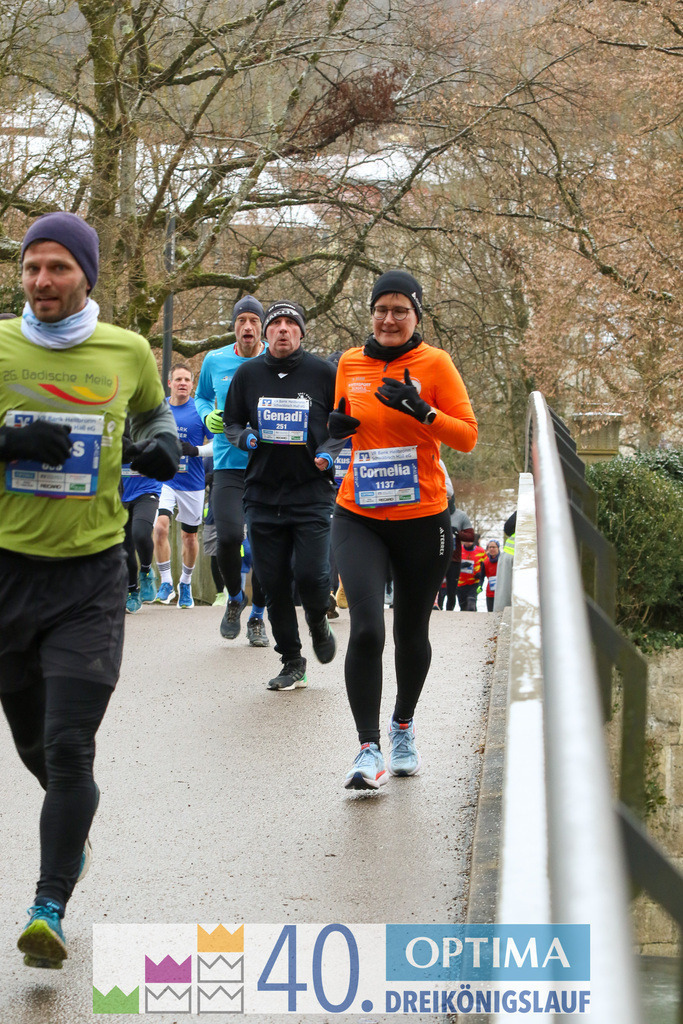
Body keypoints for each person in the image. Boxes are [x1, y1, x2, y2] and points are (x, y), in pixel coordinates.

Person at [0, 211, 180, 969]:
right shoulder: (1, 346)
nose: (42, 281)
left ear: (86, 277)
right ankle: (73, 831)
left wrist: (163, 444)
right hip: (7, 573)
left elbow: (155, 413)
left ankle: (48, 907)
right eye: (32, 267)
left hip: (92, 577)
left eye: (58, 268)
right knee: (36, 747)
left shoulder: (128, 350)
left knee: (71, 747)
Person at [330, 269, 477, 790]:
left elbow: (467, 437)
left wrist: (422, 410)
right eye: (381, 309)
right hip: (359, 513)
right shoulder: (350, 362)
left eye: (400, 310)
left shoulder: (435, 363)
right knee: (367, 628)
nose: (389, 319)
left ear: (417, 316)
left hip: (423, 519)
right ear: (370, 313)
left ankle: (403, 727)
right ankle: (368, 749)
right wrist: (328, 435)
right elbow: (336, 425)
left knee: (411, 630)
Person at [223, 300, 344, 690]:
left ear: (302, 333)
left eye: (291, 323)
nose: (282, 330)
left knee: (311, 576)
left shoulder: (324, 373)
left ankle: (317, 622)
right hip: (261, 494)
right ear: (265, 333)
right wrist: (245, 437)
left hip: (310, 493)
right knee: (272, 584)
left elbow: (342, 425)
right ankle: (292, 660)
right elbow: (231, 421)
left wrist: (327, 451)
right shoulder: (247, 374)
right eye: (275, 324)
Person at [195, 297, 270, 647]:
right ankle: (235, 599)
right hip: (227, 463)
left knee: (268, 547)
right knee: (227, 538)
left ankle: (258, 617)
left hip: (269, 466)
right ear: (234, 325)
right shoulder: (215, 360)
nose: (248, 327)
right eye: (242, 320)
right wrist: (207, 415)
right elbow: (201, 397)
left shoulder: (275, 359)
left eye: (254, 320)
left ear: (263, 326)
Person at [153, 363, 213, 609]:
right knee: (160, 527)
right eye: (178, 379)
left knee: (189, 537)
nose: (183, 384)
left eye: (187, 380)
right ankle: (166, 582)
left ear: (192, 384)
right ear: (170, 383)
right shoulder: (160, 409)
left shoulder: (200, 410)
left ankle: (185, 583)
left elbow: (218, 444)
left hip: (193, 483)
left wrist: (195, 450)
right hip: (164, 479)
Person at [438, 507, 474, 610]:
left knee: (452, 589)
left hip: (454, 559)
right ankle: (437, 608)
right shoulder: (436, 512)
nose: (446, 500)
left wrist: (458, 533)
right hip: (439, 558)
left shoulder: (461, 515)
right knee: (437, 587)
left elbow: (471, 537)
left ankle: (450, 610)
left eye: (448, 498)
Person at [456, 535, 486, 611]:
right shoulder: (458, 550)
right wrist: (460, 566)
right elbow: (452, 565)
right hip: (460, 583)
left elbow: (486, 564)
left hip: (474, 583)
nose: (468, 542)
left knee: (471, 605)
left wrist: (481, 573)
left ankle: (473, 618)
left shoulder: (480, 551)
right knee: (463, 607)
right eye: (466, 540)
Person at [482, 539, 500, 612]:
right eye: (490, 547)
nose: (492, 549)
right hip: (490, 593)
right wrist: (480, 585)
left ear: (498, 548)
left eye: (494, 547)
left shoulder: (502, 560)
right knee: (491, 614)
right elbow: (482, 576)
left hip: (501, 593)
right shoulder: (485, 562)